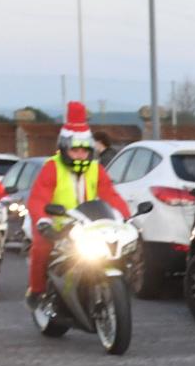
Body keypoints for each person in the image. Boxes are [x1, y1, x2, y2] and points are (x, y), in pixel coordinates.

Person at [23, 102, 129, 304]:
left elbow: (110, 195)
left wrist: (125, 217)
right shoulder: (51, 167)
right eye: (75, 150)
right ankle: (36, 292)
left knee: (116, 249)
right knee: (40, 248)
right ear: (64, 148)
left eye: (84, 150)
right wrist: (43, 221)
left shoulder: (96, 169)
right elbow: (38, 198)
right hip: (55, 225)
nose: (81, 154)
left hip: (88, 224)